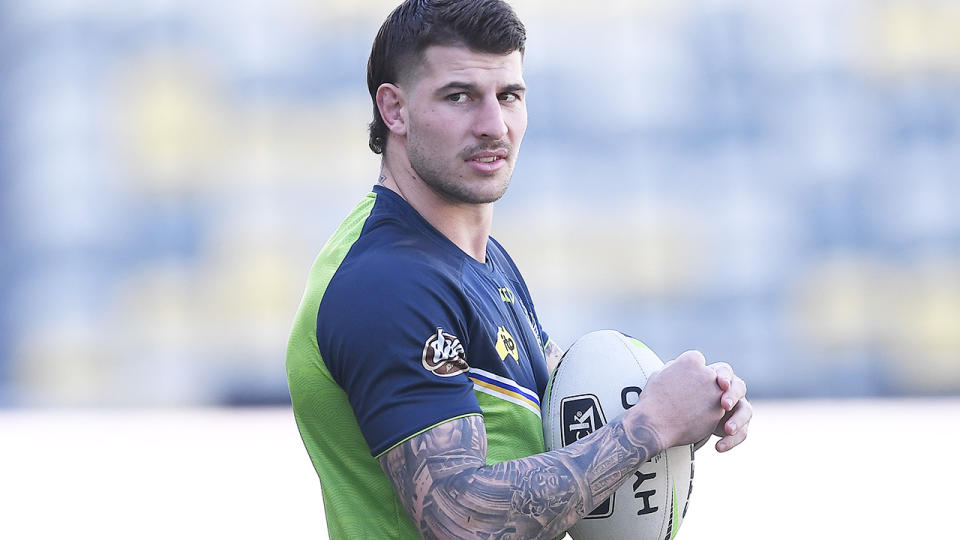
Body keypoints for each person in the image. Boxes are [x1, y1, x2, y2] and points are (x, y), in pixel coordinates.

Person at [286, 1, 753, 538]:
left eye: (509, 96)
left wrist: (690, 401)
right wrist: (653, 422)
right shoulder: (388, 282)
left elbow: (556, 410)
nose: (493, 125)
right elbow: (461, 518)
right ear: (394, 110)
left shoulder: (474, 258)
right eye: (459, 96)